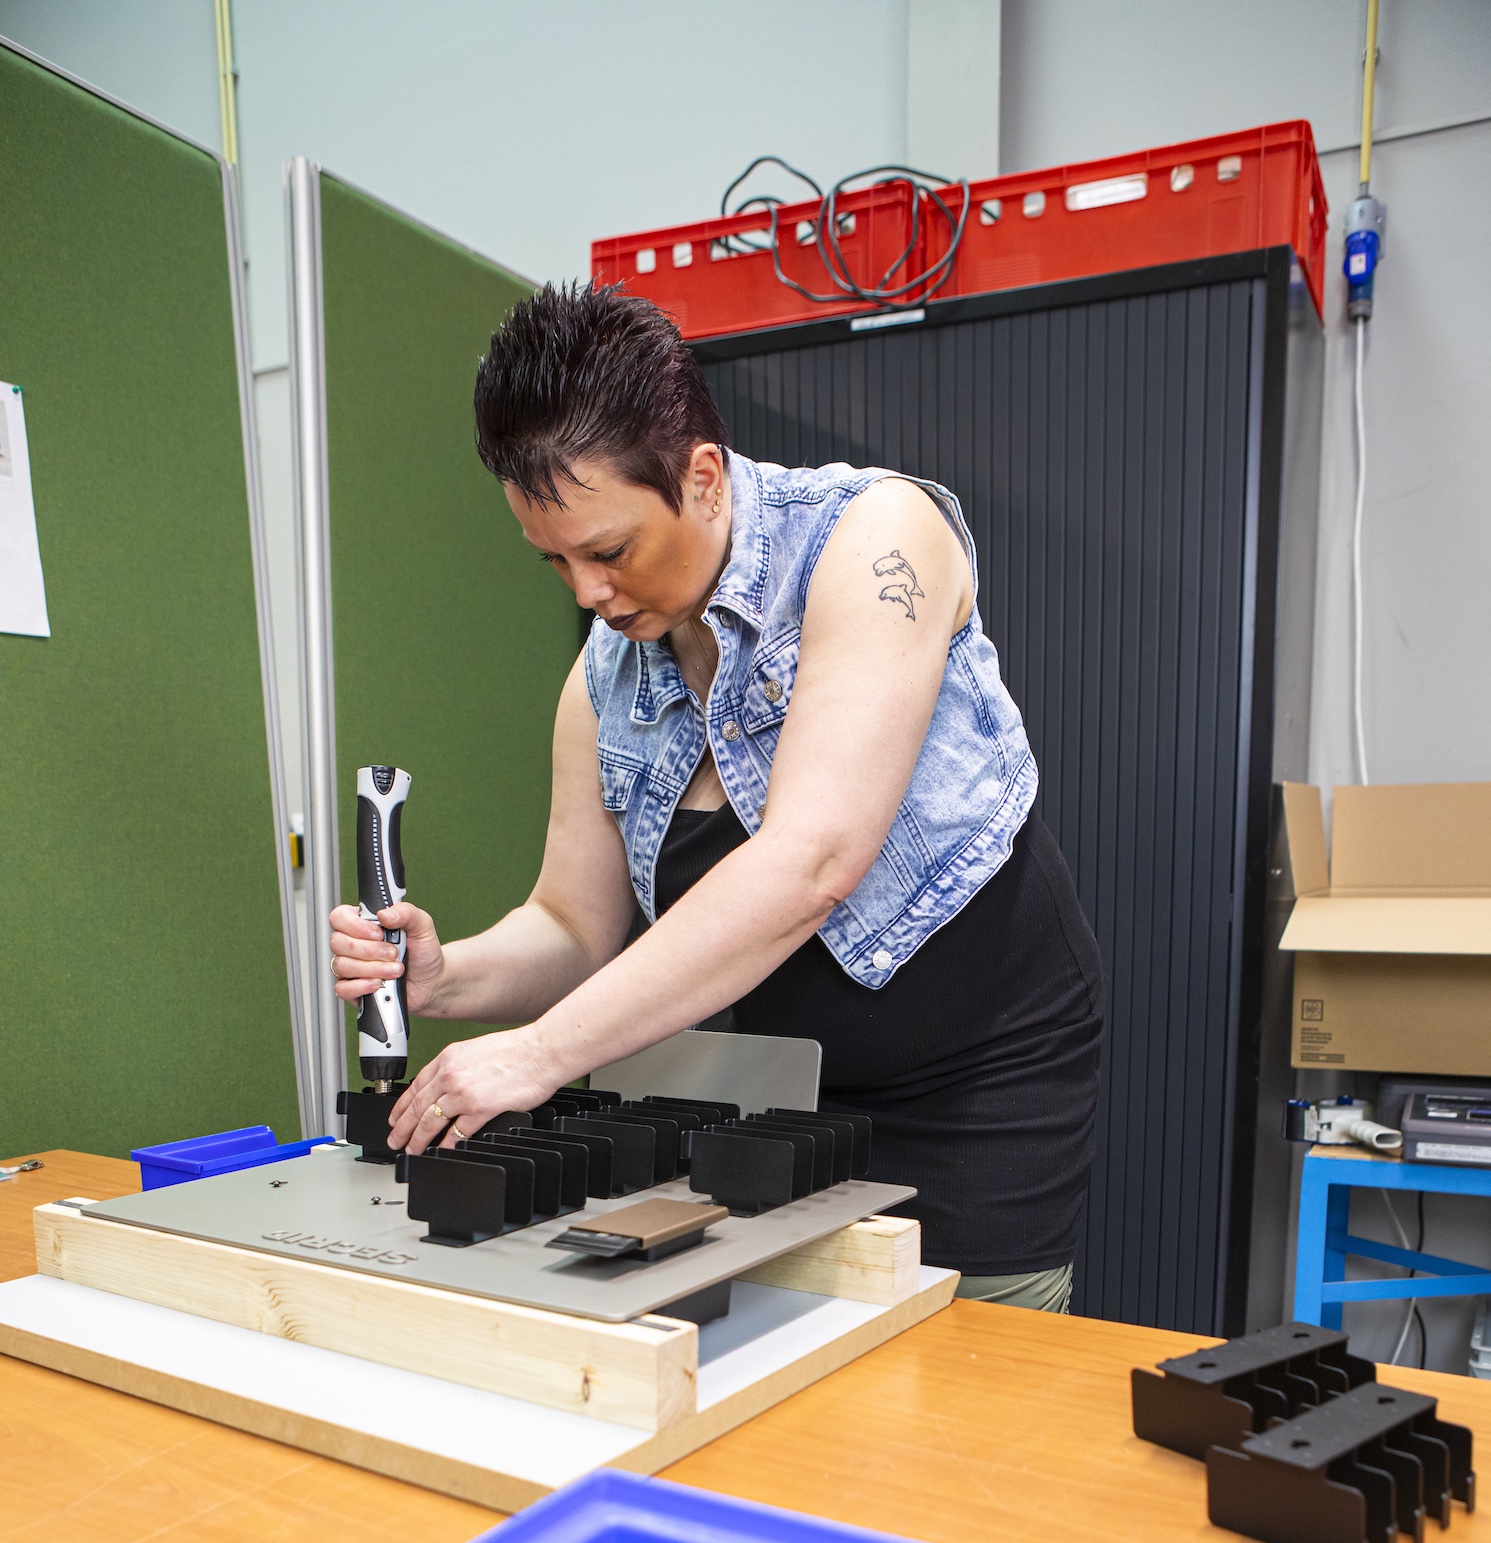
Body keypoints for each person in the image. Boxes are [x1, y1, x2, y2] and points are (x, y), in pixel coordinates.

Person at [329, 283, 1103, 1308]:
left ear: (700, 478)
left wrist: (541, 1055)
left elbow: (812, 861)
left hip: (976, 1091)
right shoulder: (607, 674)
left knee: (963, 1382)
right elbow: (573, 926)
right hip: (780, 1097)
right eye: (553, 560)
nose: (587, 594)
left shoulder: (876, 540)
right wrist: (447, 976)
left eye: (608, 551)